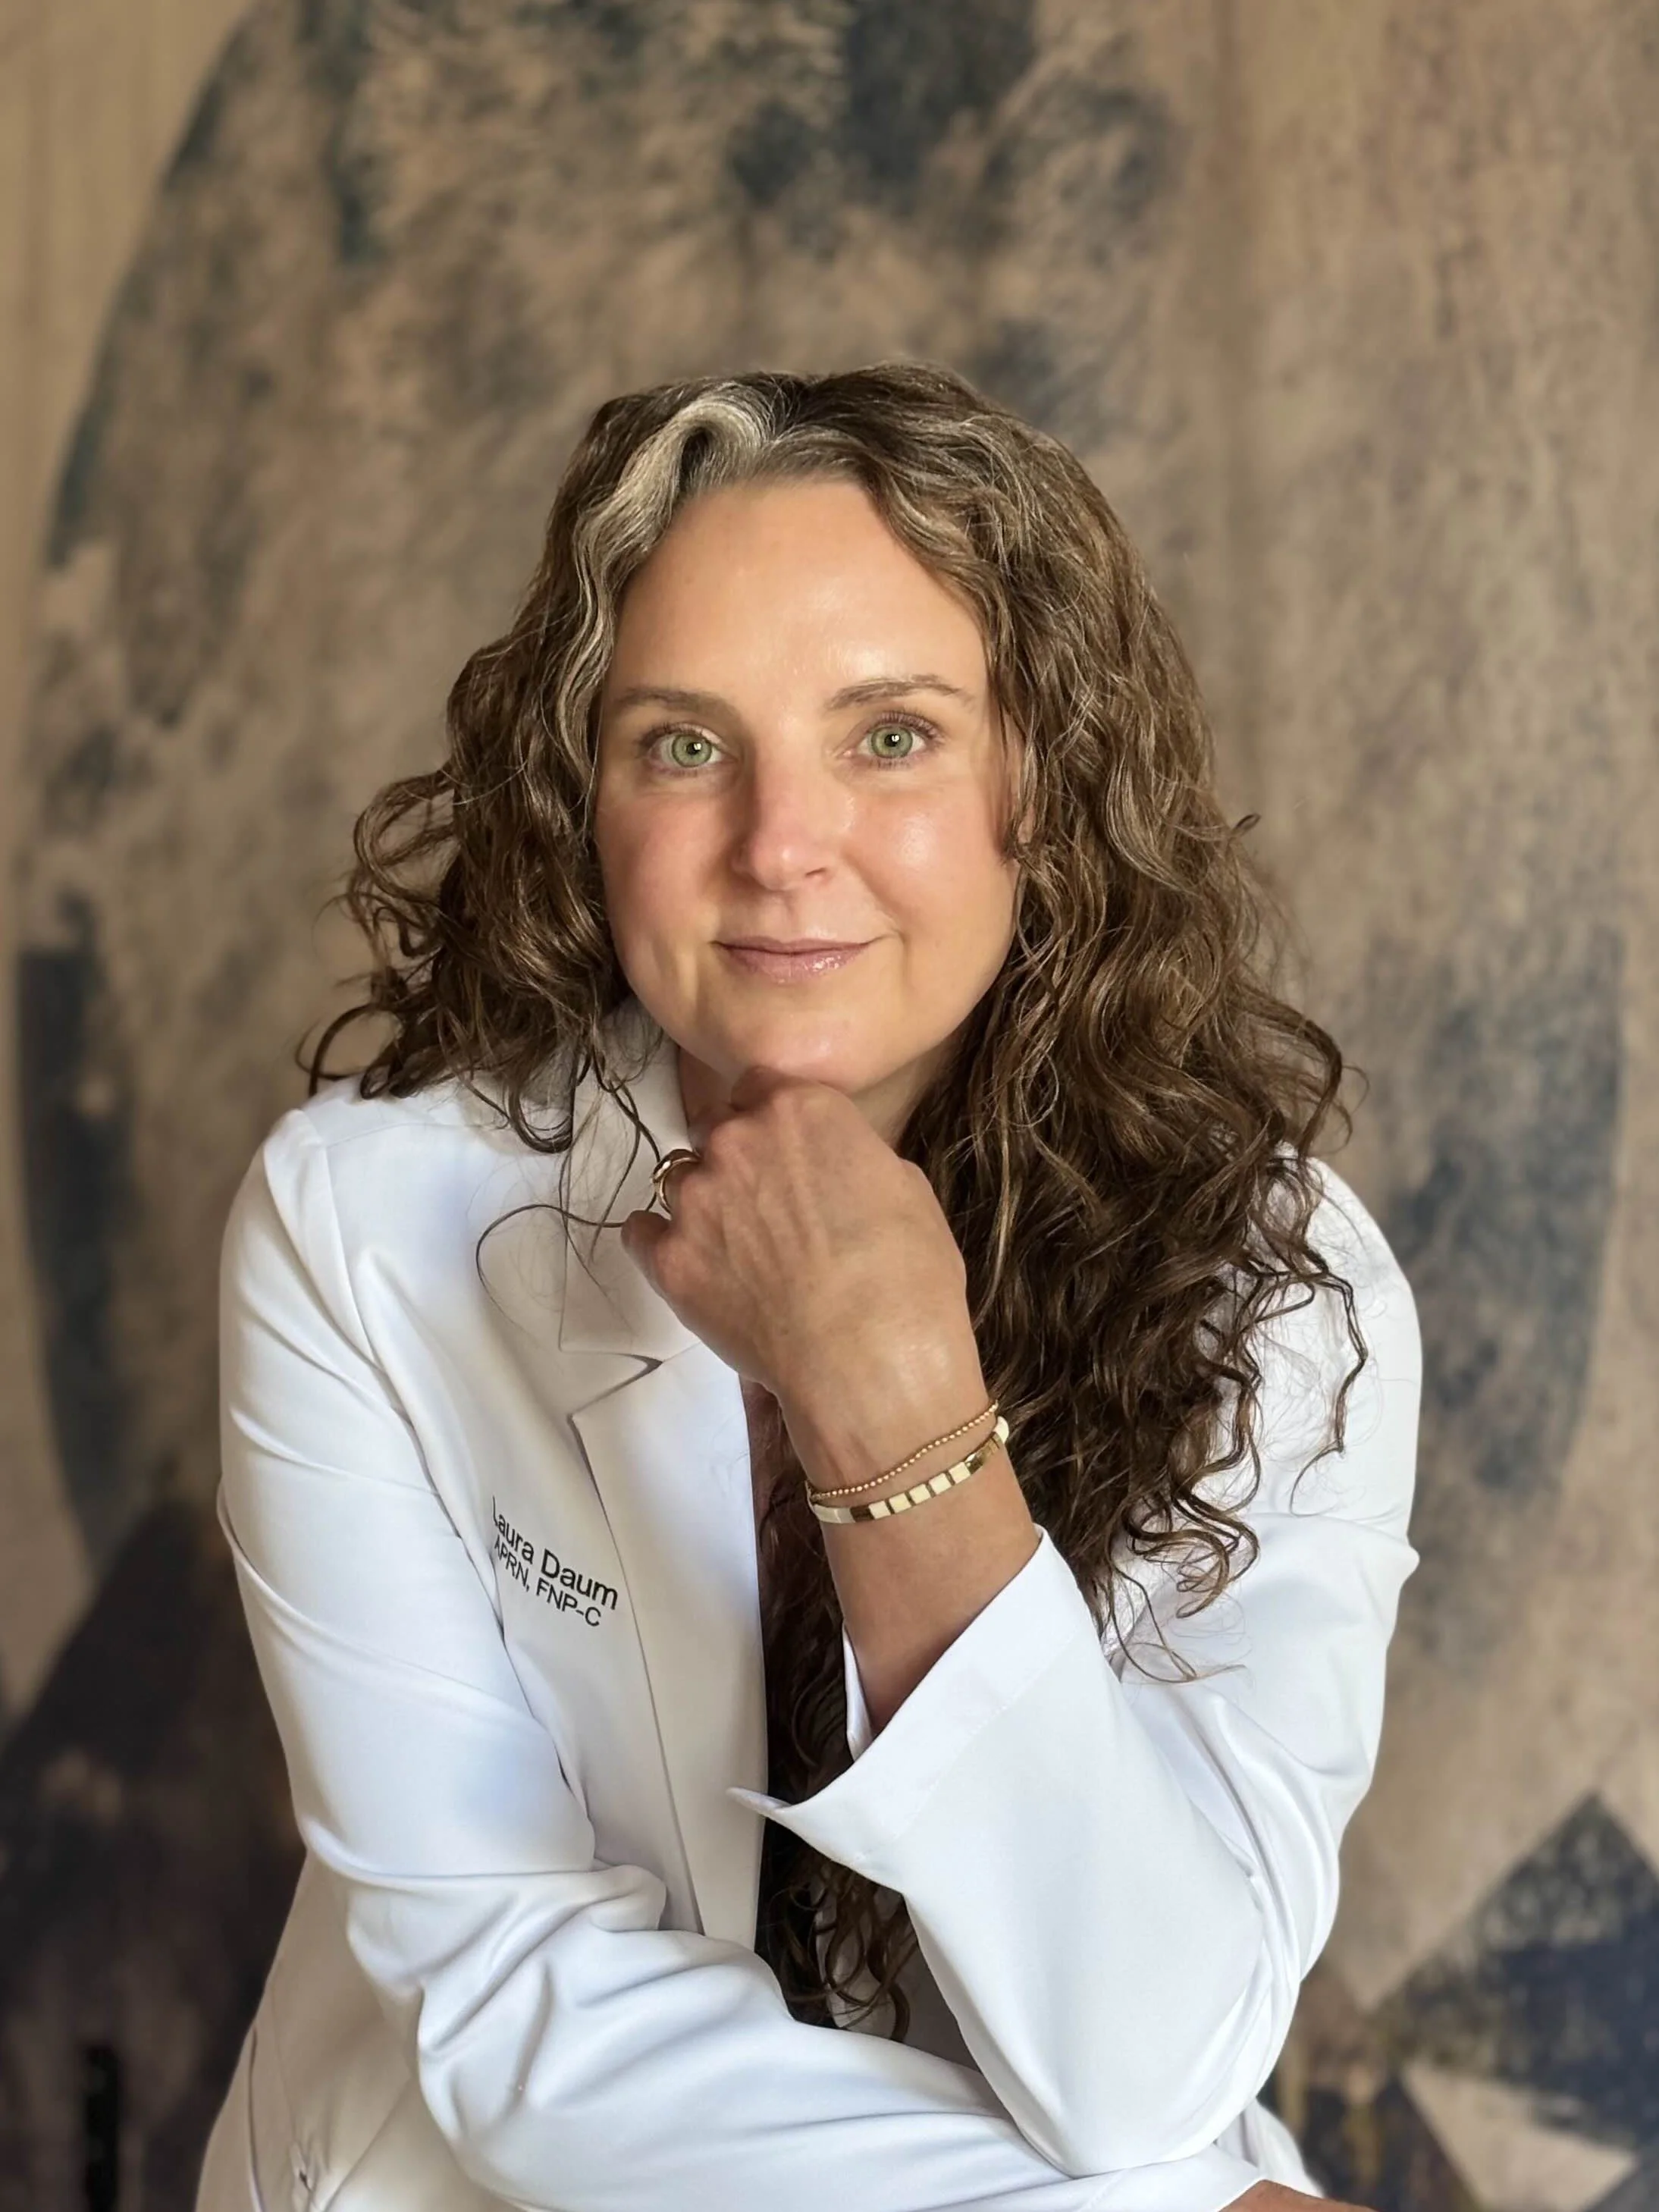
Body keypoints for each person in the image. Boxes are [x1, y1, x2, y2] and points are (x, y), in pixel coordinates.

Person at [194, 362, 1420, 2212]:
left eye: (891, 734)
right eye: (682, 743)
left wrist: (890, 1400)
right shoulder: (359, 1233)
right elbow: (512, 2004)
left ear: (1046, 779)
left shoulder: (1279, 1288)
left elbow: (1143, 2049)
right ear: (583, 797)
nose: (779, 845)